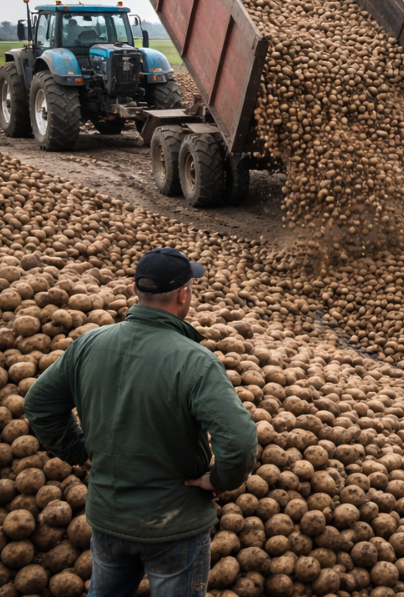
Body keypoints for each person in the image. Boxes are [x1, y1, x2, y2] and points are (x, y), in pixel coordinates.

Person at [24, 248, 258, 597]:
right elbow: (239, 440)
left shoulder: (89, 343)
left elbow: (39, 405)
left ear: (135, 291)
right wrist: (218, 480)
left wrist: (79, 452)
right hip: (173, 526)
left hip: (108, 518)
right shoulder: (196, 361)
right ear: (184, 294)